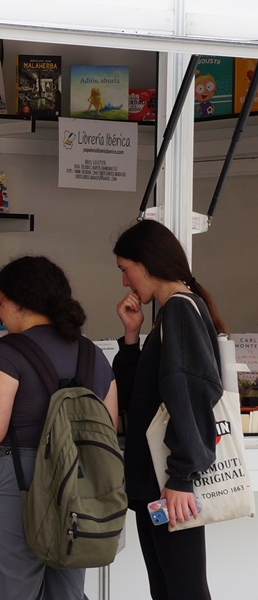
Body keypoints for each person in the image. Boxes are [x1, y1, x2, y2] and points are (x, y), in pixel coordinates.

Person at [0, 255, 119, 600]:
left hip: (19, 483)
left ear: (19, 304)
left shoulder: (8, 352)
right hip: (78, 486)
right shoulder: (94, 354)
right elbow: (108, 428)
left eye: (1, 303)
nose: (0, 314)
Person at [112, 219, 224, 600]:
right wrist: (131, 337)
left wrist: (180, 477)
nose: (125, 281)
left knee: (183, 589)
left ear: (145, 264)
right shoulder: (168, 315)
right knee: (167, 587)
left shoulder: (178, 310)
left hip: (170, 485)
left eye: (126, 270)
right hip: (158, 484)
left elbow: (191, 394)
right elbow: (139, 400)